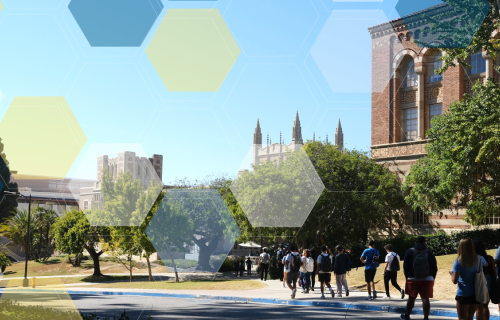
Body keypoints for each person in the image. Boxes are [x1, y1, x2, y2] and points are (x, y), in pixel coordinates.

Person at [400, 236, 438, 320]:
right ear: (424, 242)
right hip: (427, 278)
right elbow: (434, 266)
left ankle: (407, 316)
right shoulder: (429, 252)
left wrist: (408, 276)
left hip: (413, 278)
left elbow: (405, 266)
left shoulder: (410, 251)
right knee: (425, 298)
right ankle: (426, 318)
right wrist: (432, 277)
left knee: (411, 298)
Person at [450, 238, 488, 320]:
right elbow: (486, 264)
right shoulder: (479, 258)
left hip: (463, 294)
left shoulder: (458, 262)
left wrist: (452, 274)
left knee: (462, 318)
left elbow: (455, 281)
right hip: (475, 293)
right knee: (470, 316)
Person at [473, 239, 495, 320]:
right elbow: (494, 272)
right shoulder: (489, 258)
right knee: (486, 306)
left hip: (478, 281)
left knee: (479, 307)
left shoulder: (474, 259)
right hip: (488, 280)